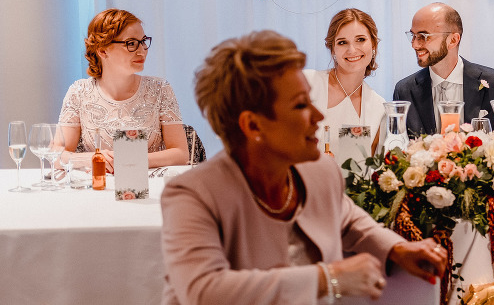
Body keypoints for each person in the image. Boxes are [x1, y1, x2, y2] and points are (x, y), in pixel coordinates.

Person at [160, 30, 448, 304]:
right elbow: (204, 292)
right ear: (253, 125)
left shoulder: (321, 170)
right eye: (300, 105)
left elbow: (347, 219)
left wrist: (397, 248)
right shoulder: (192, 194)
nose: (318, 115)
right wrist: (329, 278)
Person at [58, 8, 188, 171]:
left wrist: (128, 161)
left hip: (150, 188)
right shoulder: (79, 92)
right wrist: (91, 159)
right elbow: (56, 154)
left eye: (143, 41)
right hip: (98, 188)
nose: (142, 51)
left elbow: (180, 153)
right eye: (131, 44)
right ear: (103, 50)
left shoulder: (160, 89)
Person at [393, 2, 494, 135]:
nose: (415, 44)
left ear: (453, 40)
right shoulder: (404, 91)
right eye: (413, 36)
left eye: (423, 37)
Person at [303, 9, 386, 164]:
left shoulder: (378, 107)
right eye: (342, 42)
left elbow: (361, 173)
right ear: (332, 49)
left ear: (373, 44)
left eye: (360, 39)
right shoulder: (308, 83)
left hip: (347, 188)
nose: (352, 50)